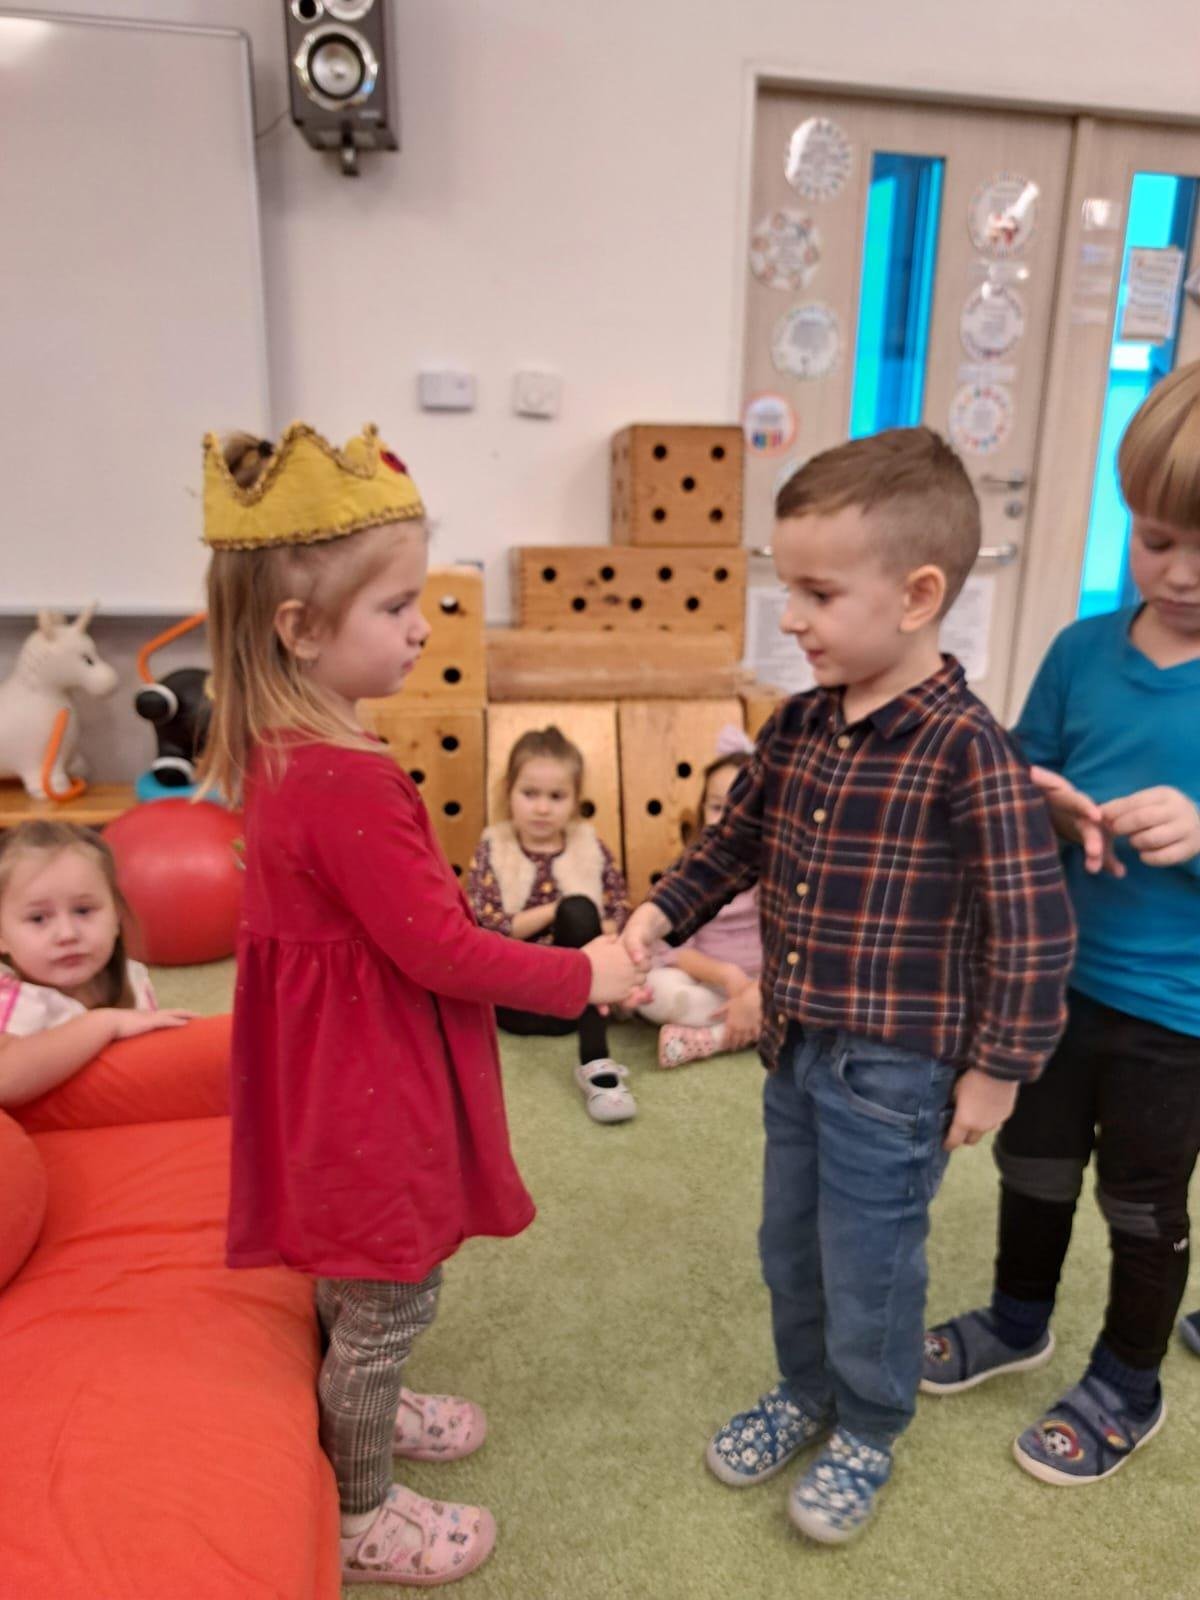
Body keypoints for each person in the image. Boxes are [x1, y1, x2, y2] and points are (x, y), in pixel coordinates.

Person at [200, 423, 645, 1587]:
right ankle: (359, 1506)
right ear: (300, 629)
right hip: (368, 1078)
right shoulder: (343, 779)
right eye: (396, 606)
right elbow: (443, 950)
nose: (421, 628)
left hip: (337, 1063)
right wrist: (584, 975)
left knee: (357, 1270)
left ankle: (367, 1399)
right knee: (392, 1292)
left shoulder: (287, 747)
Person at [622, 426, 1074, 1544]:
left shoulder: (971, 751)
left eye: (818, 594)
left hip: (897, 1074)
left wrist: (1000, 1074)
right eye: (789, 587)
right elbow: (734, 842)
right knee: (790, 1243)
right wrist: (659, 913)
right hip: (795, 1045)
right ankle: (805, 1388)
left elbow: (1032, 927)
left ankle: (869, 1423)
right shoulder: (797, 726)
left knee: (870, 1261)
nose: (789, 618)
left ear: (918, 596)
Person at [922, 359, 1200, 1483]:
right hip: (1053, 986)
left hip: (1176, 1016)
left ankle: (1130, 1381)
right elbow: (1021, 775)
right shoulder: (1082, 650)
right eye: (1157, 538)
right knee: (1032, 1164)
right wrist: (1041, 802)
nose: (1179, 572)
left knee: (1141, 1204)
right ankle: (1017, 1317)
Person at [468, 725, 637, 1124]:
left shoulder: (588, 847)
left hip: (577, 1005)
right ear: (509, 792)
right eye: (530, 794)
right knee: (572, 906)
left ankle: (597, 1064)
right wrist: (553, 910)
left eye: (556, 797)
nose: (542, 808)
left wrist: (575, 917)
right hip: (514, 1001)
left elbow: (620, 917)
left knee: (580, 910)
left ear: (575, 800)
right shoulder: (495, 847)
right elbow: (486, 927)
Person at [0, 819, 192, 1107]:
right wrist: (104, 1023)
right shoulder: (12, 998)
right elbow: (4, 1079)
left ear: (116, 915)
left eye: (83, 910)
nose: (67, 934)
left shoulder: (131, 976)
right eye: (38, 918)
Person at [636, 729, 763, 1068]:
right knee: (653, 989)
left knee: (810, 1000)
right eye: (717, 807)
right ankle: (752, 1028)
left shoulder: (779, 873)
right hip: (708, 983)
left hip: (764, 986)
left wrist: (756, 992)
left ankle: (714, 1039)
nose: (728, 820)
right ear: (701, 810)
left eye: (741, 810)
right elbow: (676, 950)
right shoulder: (692, 874)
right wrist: (727, 974)